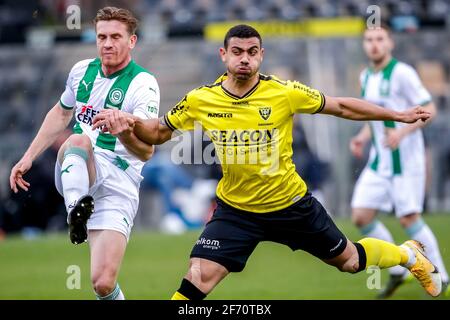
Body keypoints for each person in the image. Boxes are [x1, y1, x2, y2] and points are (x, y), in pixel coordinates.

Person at [93, 24, 442, 300]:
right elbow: (157, 133)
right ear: (223, 55)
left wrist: (395, 114)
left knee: (350, 262)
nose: (245, 59)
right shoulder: (202, 99)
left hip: (290, 204)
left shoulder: (284, 92)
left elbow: (341, 106)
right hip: (237, 211)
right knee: (198, 277)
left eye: (252, 52)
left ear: (261, 55)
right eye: (237, 52)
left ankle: (408, 256)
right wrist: (129, 121)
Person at [9, 7, 159, 300]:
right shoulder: (81, 71)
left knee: (102, 282)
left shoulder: (144, 84)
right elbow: (61, 113)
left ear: (132, 41)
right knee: (78, 140)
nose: (107, 43)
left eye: (116, 36)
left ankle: (80, 212)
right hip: (80, 168)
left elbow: (147, 152)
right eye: (102, 36)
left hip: (120, 181)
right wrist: (28, 157)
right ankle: (75, 212)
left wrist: (124, 131)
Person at [349, 23, 449, 298]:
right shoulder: (365, 76)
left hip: (405, 161)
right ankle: (398, 269)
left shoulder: (402, 73)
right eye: (369, 39)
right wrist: (361, 137)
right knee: (361, 214)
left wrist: (402, 133)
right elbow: (373, 116)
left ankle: (441, 276)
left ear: (390, 43)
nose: (374, 44)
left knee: (408, 218)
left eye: (380, 38)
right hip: (378, 161)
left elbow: (429, 109)